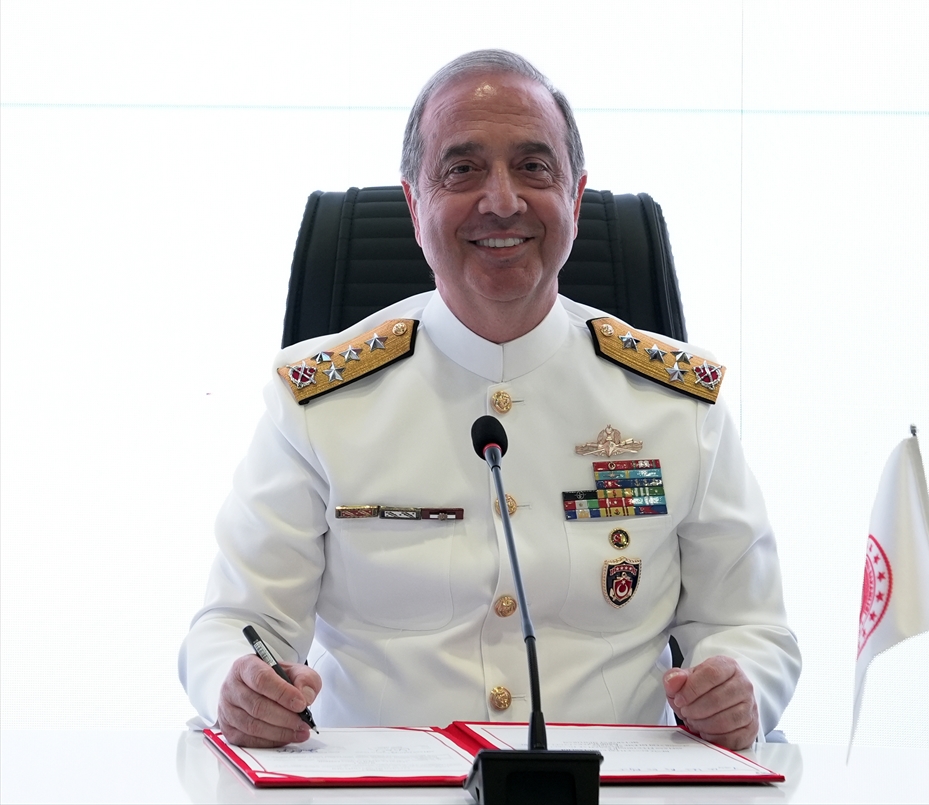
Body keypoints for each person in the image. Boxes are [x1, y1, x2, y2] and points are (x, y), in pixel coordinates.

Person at [179, 49, 800, 751]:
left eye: (533, 167)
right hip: (380, 788)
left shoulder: (678, 406)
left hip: (612, 788)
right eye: (462, 170)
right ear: (415, 206)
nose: (502, 200)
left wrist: (741, 686)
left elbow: (751, 626)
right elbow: (235, 621)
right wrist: (237, 685)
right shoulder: (318, 406)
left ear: (575, 199)